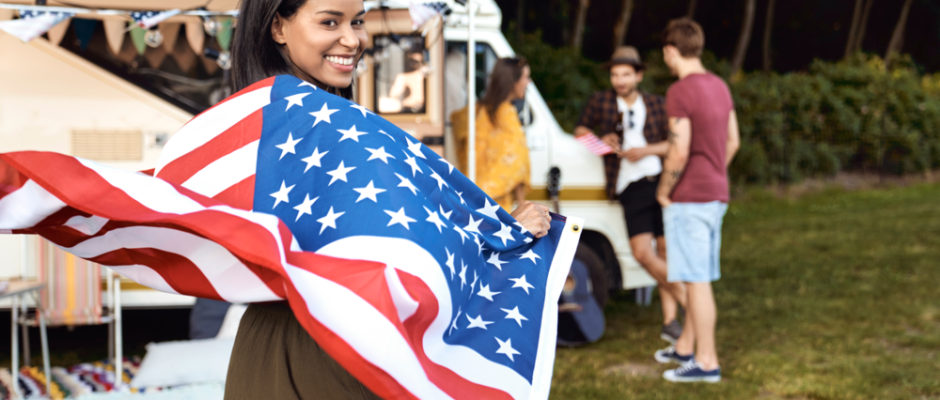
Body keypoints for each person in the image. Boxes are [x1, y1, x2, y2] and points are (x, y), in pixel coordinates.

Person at [226, 1, 553, 399]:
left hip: (261, 345)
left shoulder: (251, 118)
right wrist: (502, 232)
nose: (352, 40)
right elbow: (407, 239)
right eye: (330, 22)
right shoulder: (333, 123)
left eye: (357, 22)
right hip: (327, 348)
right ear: (278, 27)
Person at [574, 46, 687, 344]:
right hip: (628, 185)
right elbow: (580, 132)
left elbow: (674, 144)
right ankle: (688, 297)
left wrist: (646, 150)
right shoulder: (601, 101)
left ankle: (670, 321)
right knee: (642, 253)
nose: (620, 80)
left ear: (638, 75)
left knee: (665, 251)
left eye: (625, 74)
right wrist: (603, 142)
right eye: (615, 75)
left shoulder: (657, 103)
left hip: (661, 182)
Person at [653, 18, 740, 383]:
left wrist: (663, 190)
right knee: (695, 278)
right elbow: (733, 141)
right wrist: (714, 171)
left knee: (697, 281)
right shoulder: (720, 85)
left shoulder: (680, 90)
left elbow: (679, 149)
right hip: (716, 194)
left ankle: (706, 362)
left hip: (689, 199)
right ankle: (686, 347)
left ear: (670, 51)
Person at [451, 57, 532, 211]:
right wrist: (522, 204)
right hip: (495, 202)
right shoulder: (506, 112)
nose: (528, 83)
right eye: (526, 77)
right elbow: (517, 160)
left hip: (471, 194)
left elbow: (458, 123)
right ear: (512, 81)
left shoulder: (477, 110)